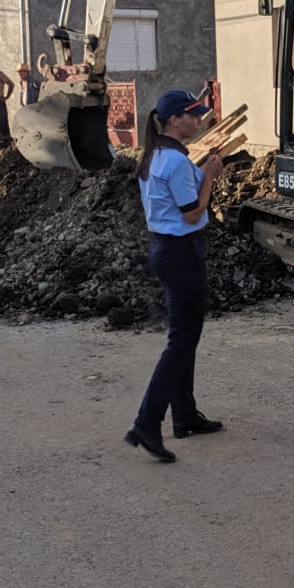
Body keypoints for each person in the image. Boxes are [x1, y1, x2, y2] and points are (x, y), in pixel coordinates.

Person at [123, 89, 227, 463]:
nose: (197, 121)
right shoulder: (176, 162)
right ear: (173, 120)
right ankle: (146, 422)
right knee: (181, 342)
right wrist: (210, 176)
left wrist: (201, 171)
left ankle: (184, 415)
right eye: (192, 115)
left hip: (166, 249)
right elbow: (192, 212)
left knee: (184, 337)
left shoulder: (156, 155)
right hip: (181, 251)